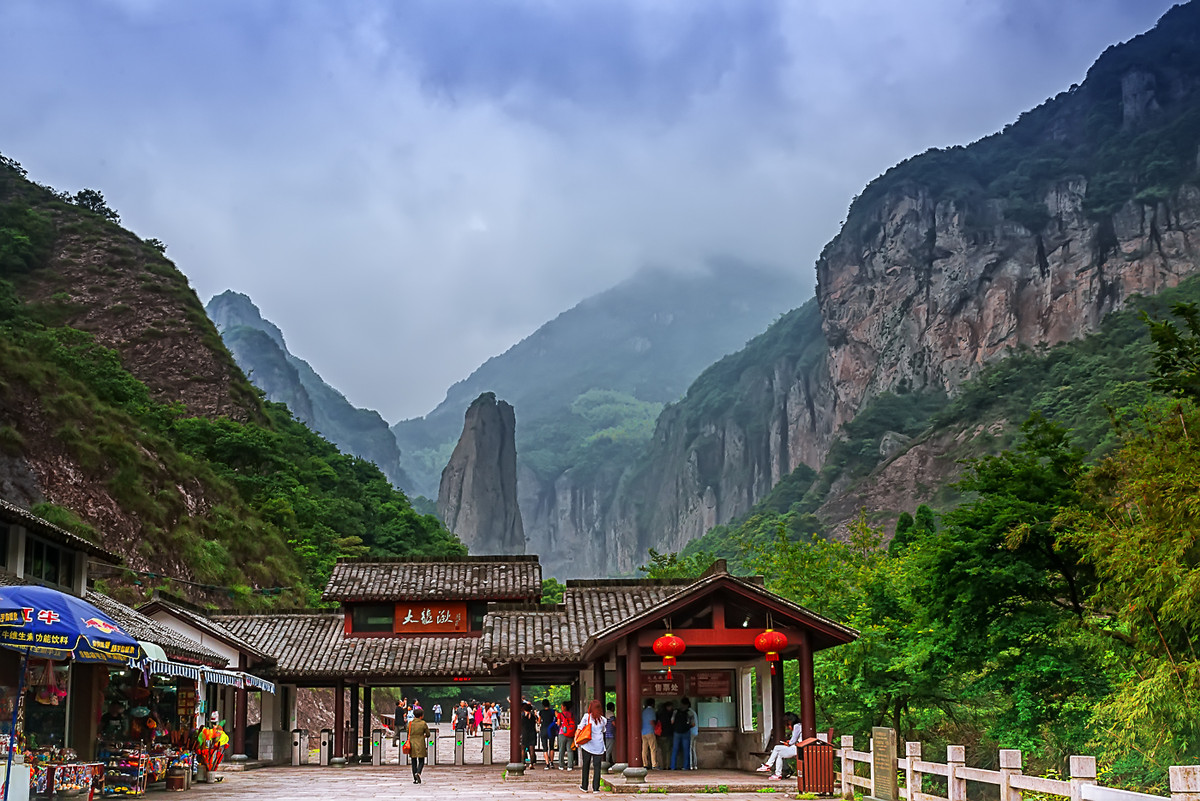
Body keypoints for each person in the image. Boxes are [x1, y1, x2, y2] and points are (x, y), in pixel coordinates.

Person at [757, 713, 802, 780]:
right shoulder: (799, 725)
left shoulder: (796, 726)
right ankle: (777, 774)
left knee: (777, 747)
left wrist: (788, 743)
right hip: (798, 747)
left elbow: (793, 741)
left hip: (798, 748)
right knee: (779, 754)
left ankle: (768, 765)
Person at [577, 699, 607, 794]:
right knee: (597, 767)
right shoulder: (603, 720)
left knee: (586, 766)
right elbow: (603, 730)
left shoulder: (587, 717)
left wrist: (576, 739)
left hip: (587, 745)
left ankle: (584, 786)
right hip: (599, 746)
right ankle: (596, 788)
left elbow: (580, 728)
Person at [670, 698, 694, 770]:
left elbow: (672, 721)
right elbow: (693, 724)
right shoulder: (690, 712)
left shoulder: (675, 711)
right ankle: (686, 766)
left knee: (675, 750)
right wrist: (687, 726)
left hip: (676, 732)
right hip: (686, 732)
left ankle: (673, 766)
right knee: (686, 750)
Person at [408, 707, 430, 784]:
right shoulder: (423, 723)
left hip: (412, 743)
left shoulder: (410, 723)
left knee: (413, 761)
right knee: (421, 760)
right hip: (420, 743)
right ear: (421, 716)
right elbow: (428, 734)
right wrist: (424, 736)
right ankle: (418, 772)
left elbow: (407, 731)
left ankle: (415, 779)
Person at [555, 701, 576, 771]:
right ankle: (570, 766)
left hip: (562, 733)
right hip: (570, 733)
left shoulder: (560, 714)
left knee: (561, 750)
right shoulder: (571, 714)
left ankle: (561, 765)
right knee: (570, 750)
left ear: (564, 707)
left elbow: (558, 723)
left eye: (562, 706)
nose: (561, 708)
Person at [640, 698, 660, 769]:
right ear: (652, 704)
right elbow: (652, 722)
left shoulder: (643, 711)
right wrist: (656, 729)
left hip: (643, 732)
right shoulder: (651, 711)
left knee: (644, 749)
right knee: (653, 748)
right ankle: (654, 764)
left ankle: (645, 764)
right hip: (650, 731)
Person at [540, 700, 556, 769]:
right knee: (551, 746)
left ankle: (547, 764)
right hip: (551, 729)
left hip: (544, 729)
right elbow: (556, 718)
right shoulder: (552, 711)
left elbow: (539, 721)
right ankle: (551, 762)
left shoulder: (541, 712)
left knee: (545, 747)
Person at [521, 701, 538, 766]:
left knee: (523, 749)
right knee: (532, 749)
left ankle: (523, 763)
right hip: (532, 733)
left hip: (524, 733)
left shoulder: (522, 716)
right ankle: (532, 764)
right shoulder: (533, 716)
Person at [603, 702, 616, 767]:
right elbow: (614, 723)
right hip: (610, 734)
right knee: (609, 750)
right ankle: (607, 763)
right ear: (612, 708)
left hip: (606, 734)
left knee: (606, 748)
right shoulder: (611, 714)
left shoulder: (605, 713)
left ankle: (609, 762)